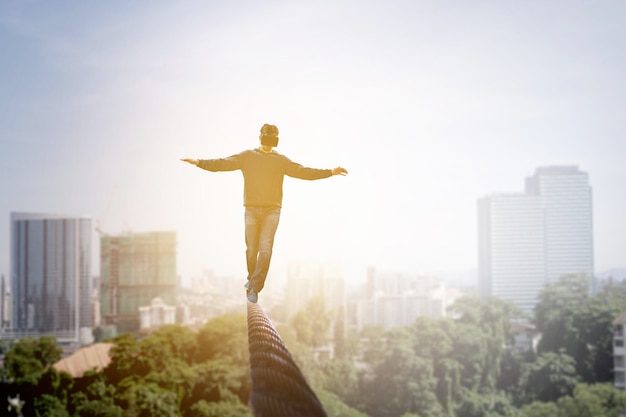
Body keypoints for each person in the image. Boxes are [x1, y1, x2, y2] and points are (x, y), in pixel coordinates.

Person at [181, 123, 348, 303]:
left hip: (272, 211)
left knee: (265, 249)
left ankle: (254, 287)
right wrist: (199, 162)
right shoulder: (247, 156)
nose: (269, 144)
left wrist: (331, 172)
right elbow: (222, 164)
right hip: (251, 209)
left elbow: (305, 172)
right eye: (266, 139)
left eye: (272, 140)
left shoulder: (281, 160)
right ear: (261, 137)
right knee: (251, 250)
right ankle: (251, 278)